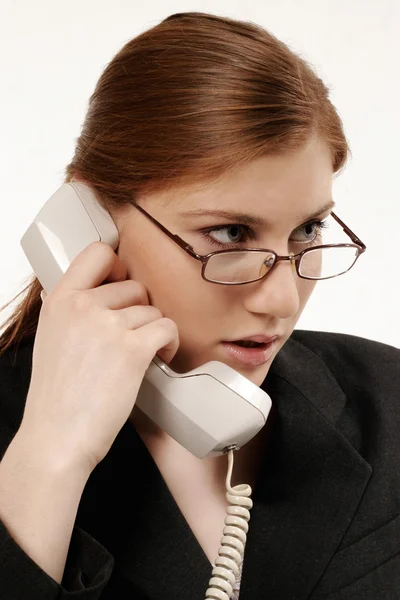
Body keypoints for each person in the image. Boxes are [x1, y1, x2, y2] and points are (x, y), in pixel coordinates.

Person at [0, 11, 399, 600]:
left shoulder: (389, 401)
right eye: (232, 234)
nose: (282, 299)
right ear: (90, 222)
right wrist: (51, 459)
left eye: (308, 229)